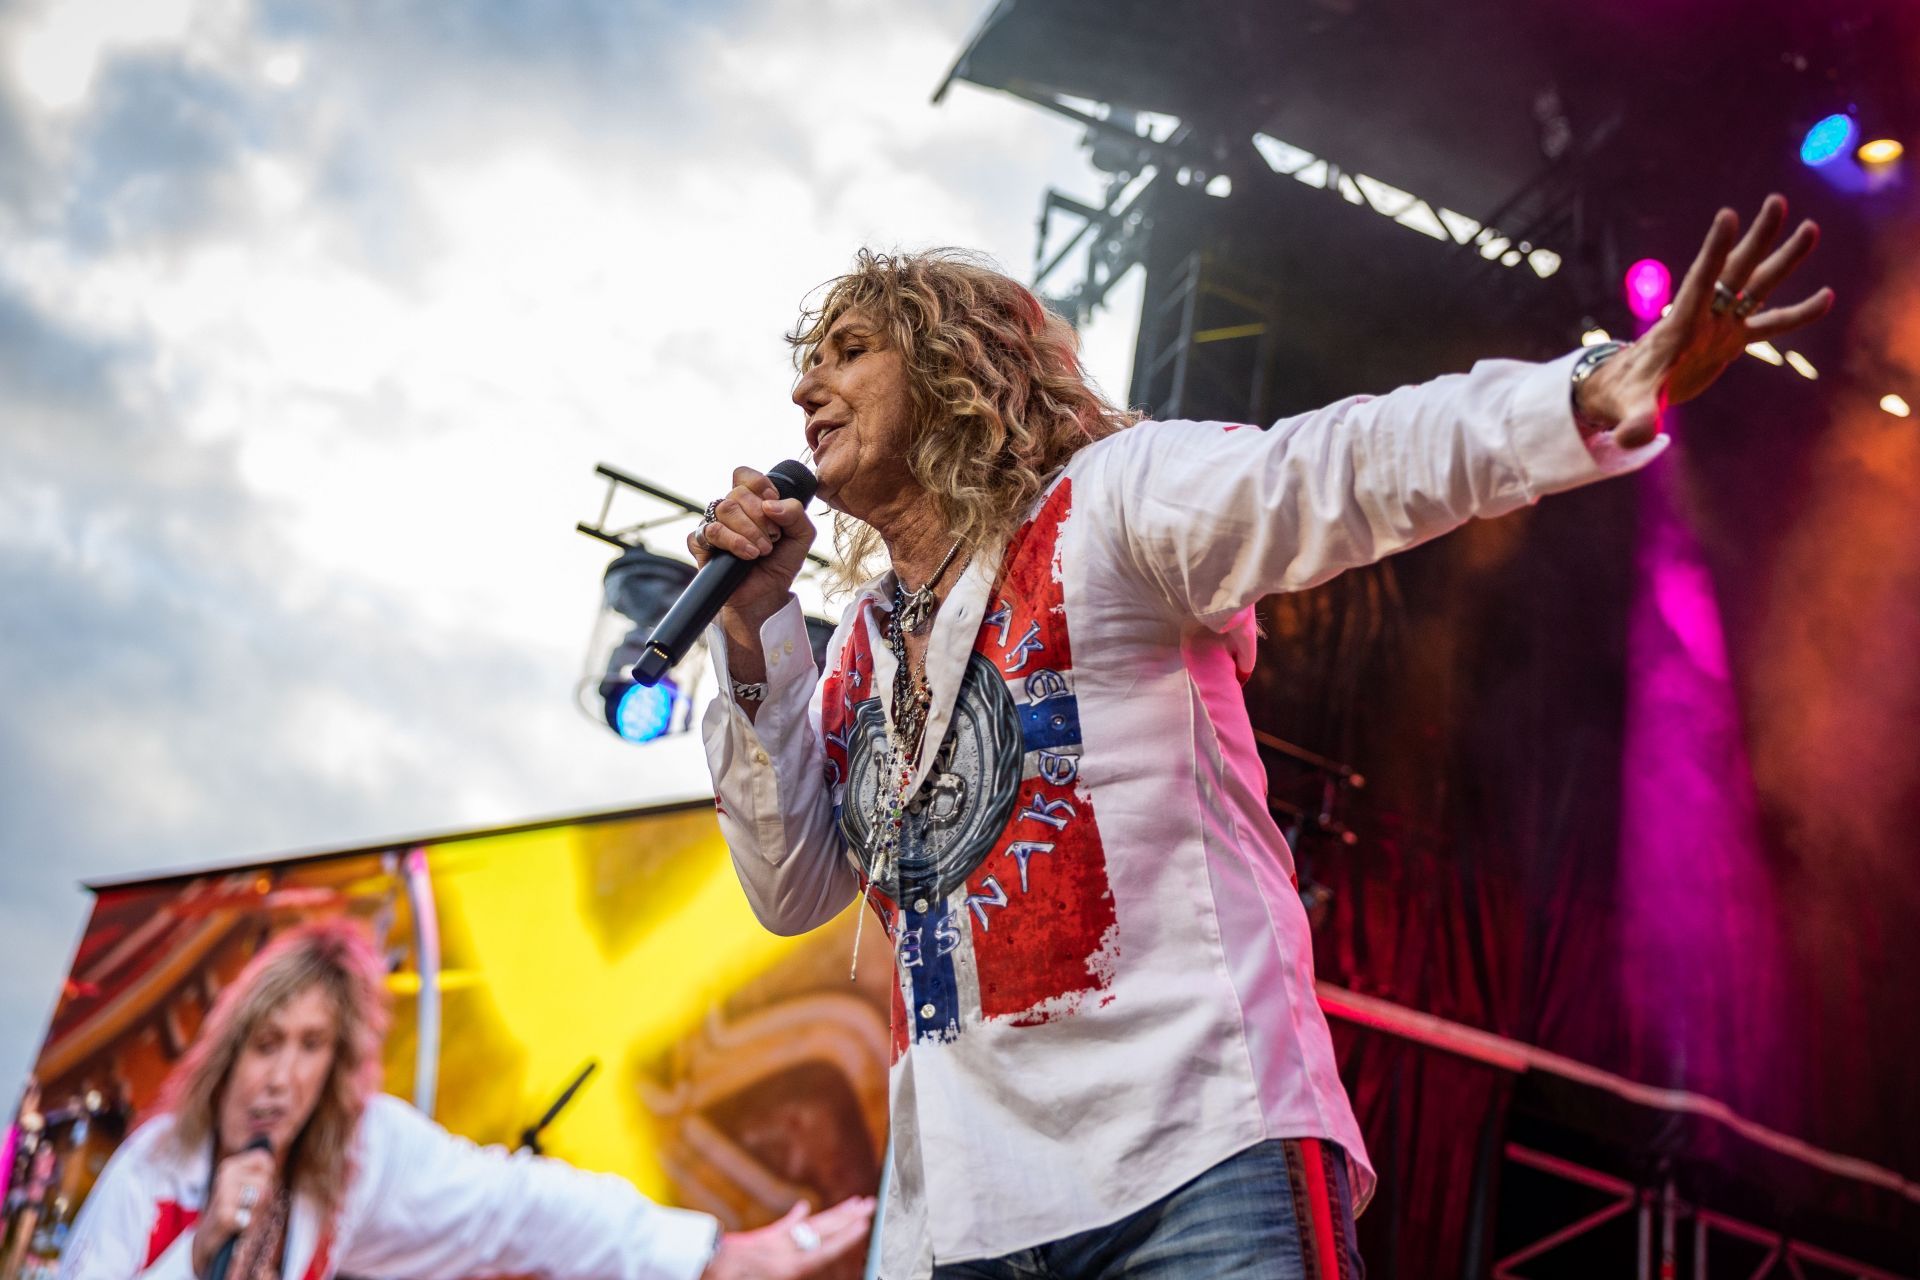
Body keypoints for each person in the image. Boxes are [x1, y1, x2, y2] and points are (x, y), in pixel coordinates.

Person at [690, 197, 1830, 1279]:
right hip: (965, 1213)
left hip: (1195, 1156)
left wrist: (1581, 393)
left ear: (950, 369)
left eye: (846, 350)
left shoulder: (1107, 506)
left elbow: (1334, 467)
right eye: (809, 359)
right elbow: (791, 885)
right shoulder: (859, 655)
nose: (806, 386)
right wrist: (750, 634)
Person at [55, 920, 874, 1280]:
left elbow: (517, 1205)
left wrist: (708, 1258)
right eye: (267, 1045)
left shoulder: (355, 1157)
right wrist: (198, 1258)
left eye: (312, 1049)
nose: (282, 1077)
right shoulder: (156, 1171)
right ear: (230, 1056)